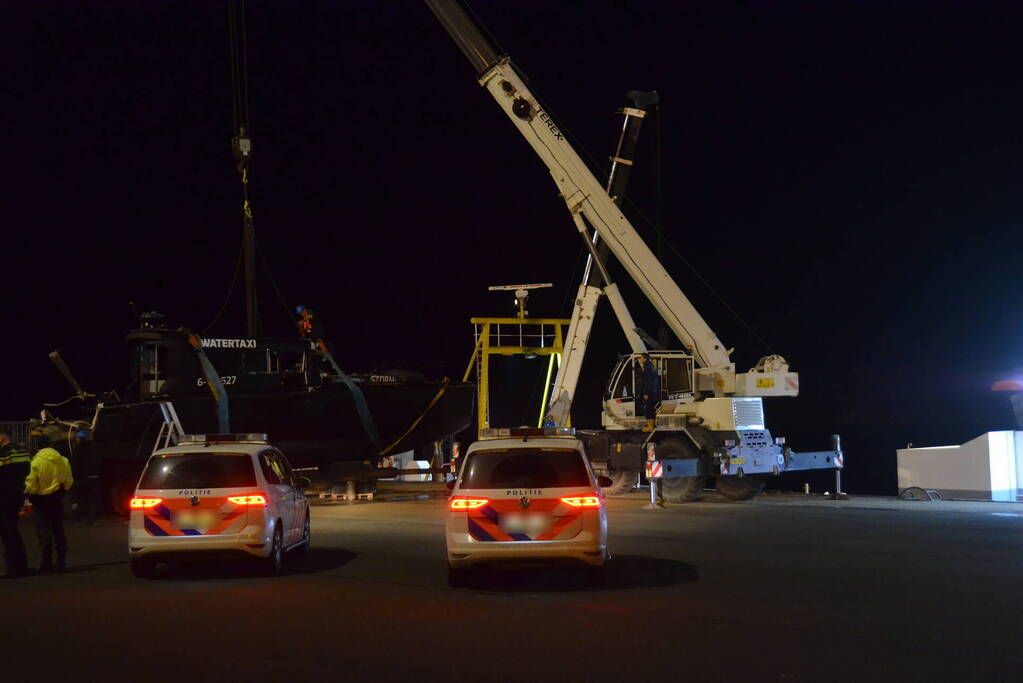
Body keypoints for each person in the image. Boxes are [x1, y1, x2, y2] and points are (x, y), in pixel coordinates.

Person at [25, 434, 73, 573]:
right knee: (59, 530)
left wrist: (29, 493)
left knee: (44, 532)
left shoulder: (35, 463)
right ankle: (61, 562)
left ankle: (46, 564)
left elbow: (31, 485)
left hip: (40, 501)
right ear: (51, 445)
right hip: (56, 499)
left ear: (38, 447)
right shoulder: (63, 460)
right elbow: (69, 481)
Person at [0, 429, 30, 578]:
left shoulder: (4, 453)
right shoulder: (22, 451)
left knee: (7, 534)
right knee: (13, 531)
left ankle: (12, 567)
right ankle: (21, 565)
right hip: (17, 495)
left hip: (4, 496)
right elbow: (27, 470)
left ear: (2, 437)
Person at [72, 430, 100, 525]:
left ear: (79, 439)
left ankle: (83, 519)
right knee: (93, 499)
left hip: (82, 478)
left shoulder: (77, 449)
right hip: (94, 477)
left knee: (81, 498)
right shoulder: (94, 448)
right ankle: (93, 519)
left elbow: (75, 465)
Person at [635, 354, 660, 432]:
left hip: (651, 393)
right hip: (654, 392)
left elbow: (648, 382)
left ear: (645, 359)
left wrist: (646, 393)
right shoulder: (650, 366)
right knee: (650, 409)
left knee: (648, 409)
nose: (640, 359)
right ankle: (651, 425)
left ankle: (650, 426)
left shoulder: (647, 368)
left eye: (641, 358)